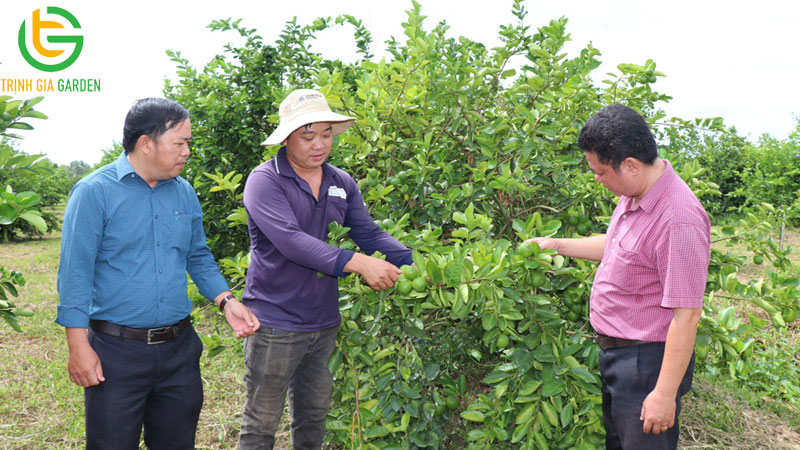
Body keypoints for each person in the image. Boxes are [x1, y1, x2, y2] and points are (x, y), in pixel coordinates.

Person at [56, 97, 260, 450]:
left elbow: (197, 255)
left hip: (179, 350)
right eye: (179, 143)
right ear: (146, 143)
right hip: (115, 353)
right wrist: (78, 346)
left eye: (188, 144)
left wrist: (227, 301)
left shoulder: (183, 192)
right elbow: (75, 273)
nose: (186, 152)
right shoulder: (94, 193)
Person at [238, 88, 413, 449]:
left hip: (323, 322)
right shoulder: (265, 180)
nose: (319, 144)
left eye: (326, 134)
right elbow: (291, 240)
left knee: (313, 418)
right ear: (287, 138)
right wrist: (358, 263)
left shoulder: (340, 182)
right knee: (260, 424)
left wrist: (415, 265)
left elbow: (366, 232)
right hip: (275, 323)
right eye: (308, 135)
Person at [529, 104, 710, 450]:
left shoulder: (679, 220)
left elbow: (687, 317)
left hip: (647, 365)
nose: (596, 180)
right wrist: (556, 245)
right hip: (620, 358)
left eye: (599, 172)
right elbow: (617, 246)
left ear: (630, 165)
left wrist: (663, 393)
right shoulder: (636, 193)